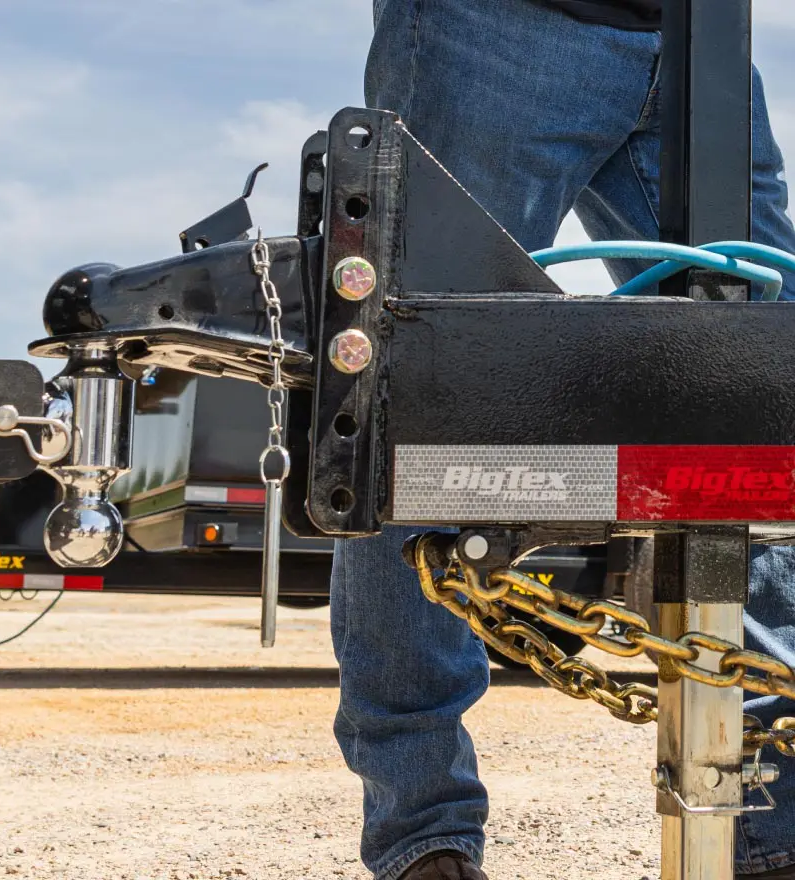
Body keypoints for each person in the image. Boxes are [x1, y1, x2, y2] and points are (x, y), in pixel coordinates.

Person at [333, 1, 795, 878]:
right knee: (417, 399)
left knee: (759, 413)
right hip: (498, 22)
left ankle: (774, 824)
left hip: (705, 35)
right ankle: (421, 831)